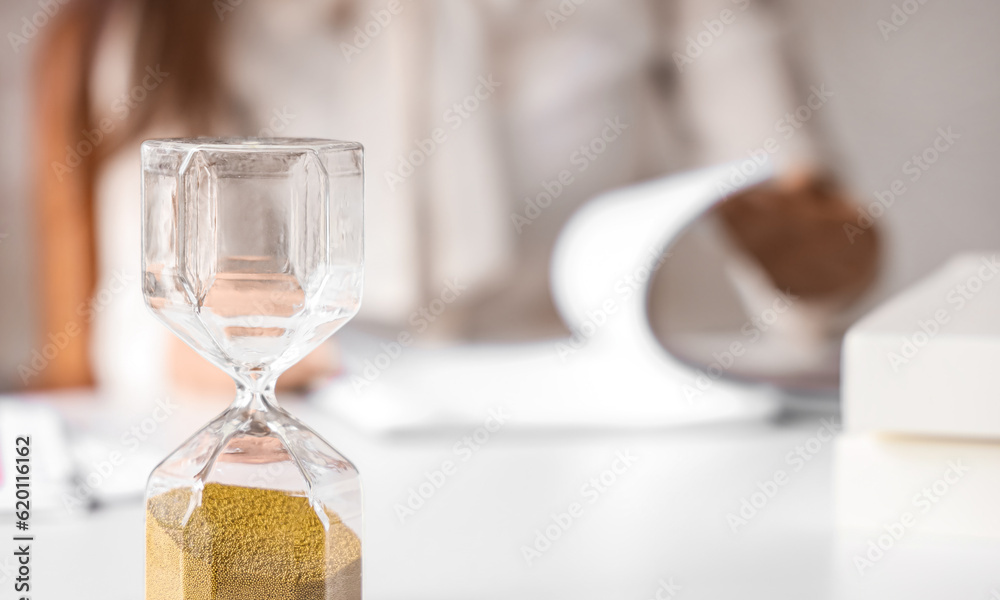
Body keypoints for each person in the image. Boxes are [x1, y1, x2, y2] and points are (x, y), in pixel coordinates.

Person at [31, 0, 877, 398]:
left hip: (600, 422)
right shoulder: (175, 22)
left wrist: (813, 256)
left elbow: (820, 272)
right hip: (328, 411)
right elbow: (129, 333)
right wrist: (240, 335)